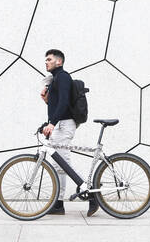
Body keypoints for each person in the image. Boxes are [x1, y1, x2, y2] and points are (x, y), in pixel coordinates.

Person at [40, 49, 99, 217]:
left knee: (62, 164)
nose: (46, 62)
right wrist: (46, 99)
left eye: (49, 59)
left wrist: (52, 123)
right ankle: (58, 203)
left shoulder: (63, 77)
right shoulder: (55, 79)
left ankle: (89, 193)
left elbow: (65, 102)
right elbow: (57, 103)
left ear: (59, 62)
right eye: (46, 59)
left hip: (64, 125)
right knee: (59, 165)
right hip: (60, 124)